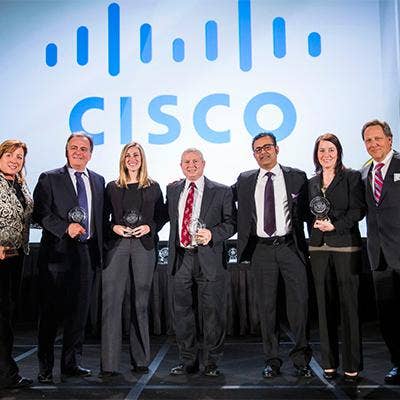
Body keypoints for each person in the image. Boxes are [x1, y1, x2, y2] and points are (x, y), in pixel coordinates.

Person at [233, 132, 312, 378]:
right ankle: (272, 360)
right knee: (267, 308)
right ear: (253, 154)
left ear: (277, 149)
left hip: (290, 247)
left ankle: (301, 360)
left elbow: (312, 208)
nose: (263, 152)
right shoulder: (245, 180)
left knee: (299, 305)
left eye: (267, 147)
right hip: (262, 250)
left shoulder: (297, 177)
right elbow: (220, 196)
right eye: (258, 149)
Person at [33, 132, 104, 384]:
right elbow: (40, 214)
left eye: (83, 149)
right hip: (57, 255)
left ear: (90, 154)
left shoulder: (98, 180)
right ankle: (45, 368)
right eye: (74, 148)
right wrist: (65, 228)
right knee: (50, 315)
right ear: (66, 150)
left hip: (86, 255)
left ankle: (71, 364)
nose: (78, 152)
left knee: (79, 314)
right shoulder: (49, 178)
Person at [166, 148, 236, 377]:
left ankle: (212, 363)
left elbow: (232, 223)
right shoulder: (173, 190)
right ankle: (188, 361)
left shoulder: (222, 191)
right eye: (186, 162)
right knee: (182, 313)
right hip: (182, 258)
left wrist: (212, 234)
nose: (191, 165)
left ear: (203, 164)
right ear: (181, 166)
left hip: (210, 258)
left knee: (213, 313)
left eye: (195, 161)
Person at [101, 142, 164, 377]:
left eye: (136, 155)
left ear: (142, 158)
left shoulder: (153, 187)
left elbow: (161, 216)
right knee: (112, 303)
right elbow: (101, 218)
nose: (132, 159)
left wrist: (149, 227)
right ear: (122, 159)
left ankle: (141, 360)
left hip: (143, 246)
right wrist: (114, 227)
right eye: (128, 155)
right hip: (117, 246)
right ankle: (109, 364)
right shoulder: (112, 187)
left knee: (140, 303)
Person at [309, 133, 364, 382]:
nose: (326, 155)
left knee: (349, 308)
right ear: (316, 154)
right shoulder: (312, 182)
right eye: (322, 150)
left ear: (339, 152)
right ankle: (329, 363)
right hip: (318, 249)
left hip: (345, 247)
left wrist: (336, 226)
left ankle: (352, 365)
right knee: (324, 308)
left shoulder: (352, 177)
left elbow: (358, 210)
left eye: (331, 150)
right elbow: (306, 211)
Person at [361, 119, 400, 384]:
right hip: (379, 256)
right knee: (387, 316)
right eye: (368, 140)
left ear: (389, 139)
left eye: (377, 138)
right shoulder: (365, 172)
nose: (373, 144)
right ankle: (398, 362)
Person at [0, 140, 33, 389]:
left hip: (16, 256)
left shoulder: (20, 184)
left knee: (6, 316)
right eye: (9, 155)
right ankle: (6, 374)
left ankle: (6, 373)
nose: (15, 160)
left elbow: (26, 217)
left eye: (19, 157)